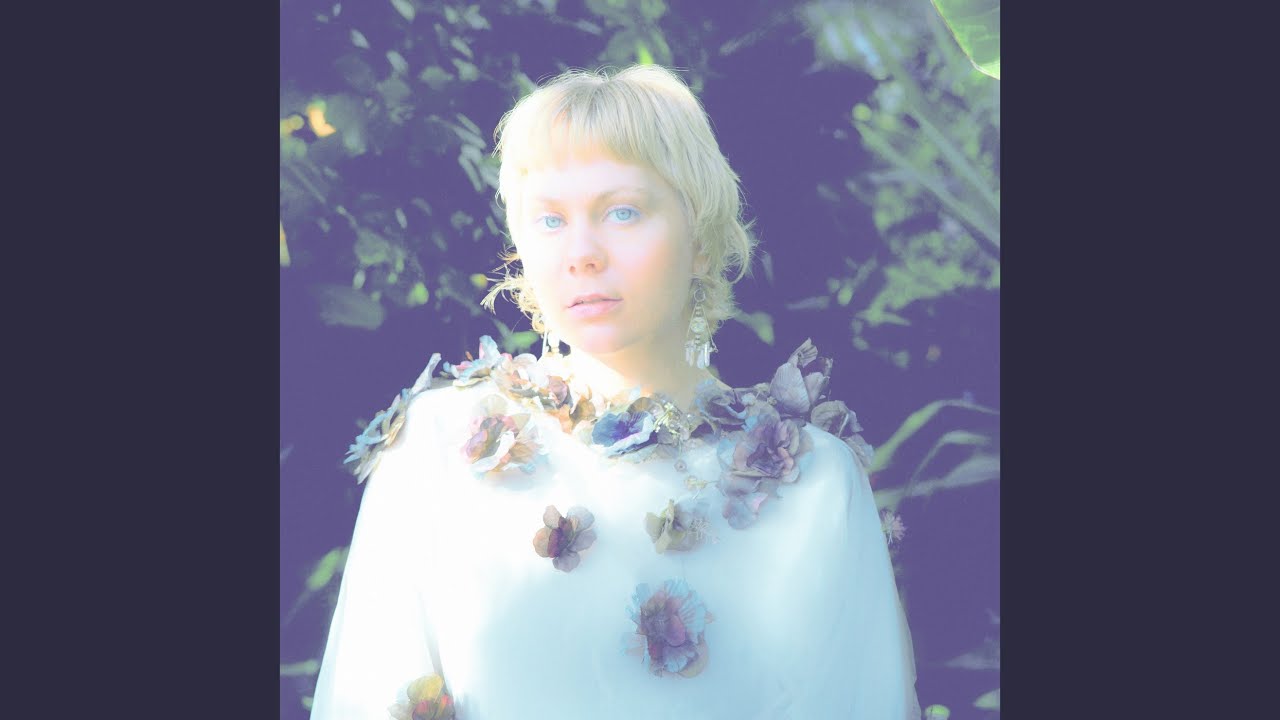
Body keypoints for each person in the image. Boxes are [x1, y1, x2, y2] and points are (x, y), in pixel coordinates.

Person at [310, 64, 920, 719]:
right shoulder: (442, 448)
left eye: (622, 211)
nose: (581, 252)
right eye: (549, 220)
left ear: (701, 239)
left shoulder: (813, 479)